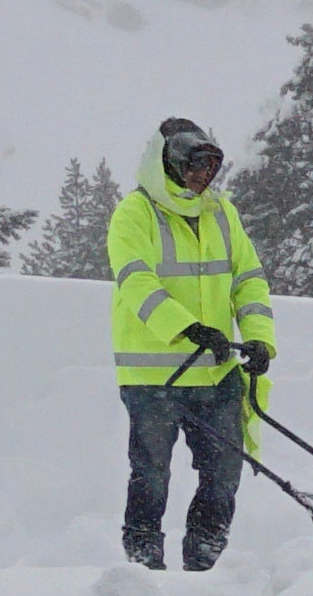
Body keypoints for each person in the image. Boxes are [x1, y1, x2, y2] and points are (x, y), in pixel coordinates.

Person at [108, 115, 274, 571]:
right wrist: (188, 329)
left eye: (212, 168)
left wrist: (259, 340)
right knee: (152, 475)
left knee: (223, 475)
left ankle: (204, 557)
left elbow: (249, 280)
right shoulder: (134, 213)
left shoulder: (222, 213)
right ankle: (143, 558)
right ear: (170, 163)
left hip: (215, 372)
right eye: (196, 166)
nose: (205, 177)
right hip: (152, 376)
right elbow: (135, 281)